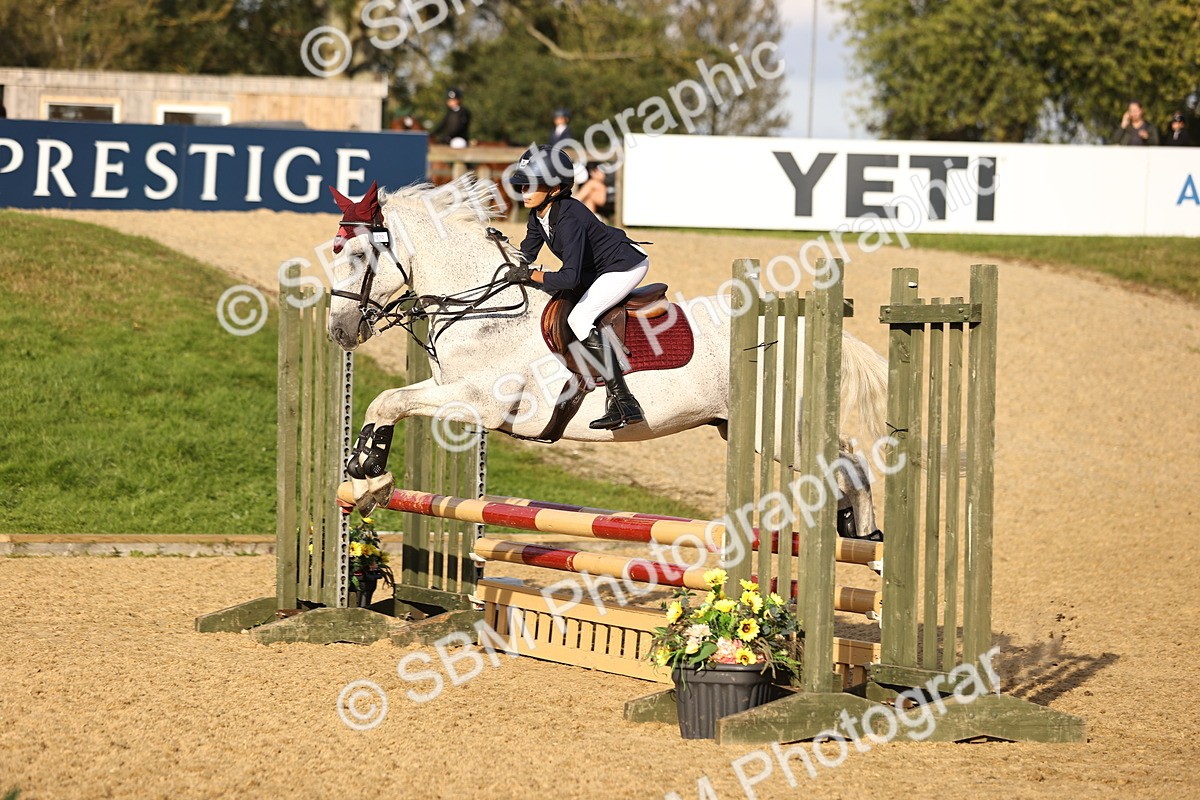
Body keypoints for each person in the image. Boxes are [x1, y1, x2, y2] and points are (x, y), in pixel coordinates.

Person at [502, 145, 649, 430]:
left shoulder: (570, 218)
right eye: (522, 184)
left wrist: (533, 276)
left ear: (556, 188)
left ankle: (625, 401)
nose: (524, 190)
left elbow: (568, 277)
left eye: (532, 184)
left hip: (623, 266)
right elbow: (525, 256)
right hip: (596, 269)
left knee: (579, 318)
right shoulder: (538, 215)